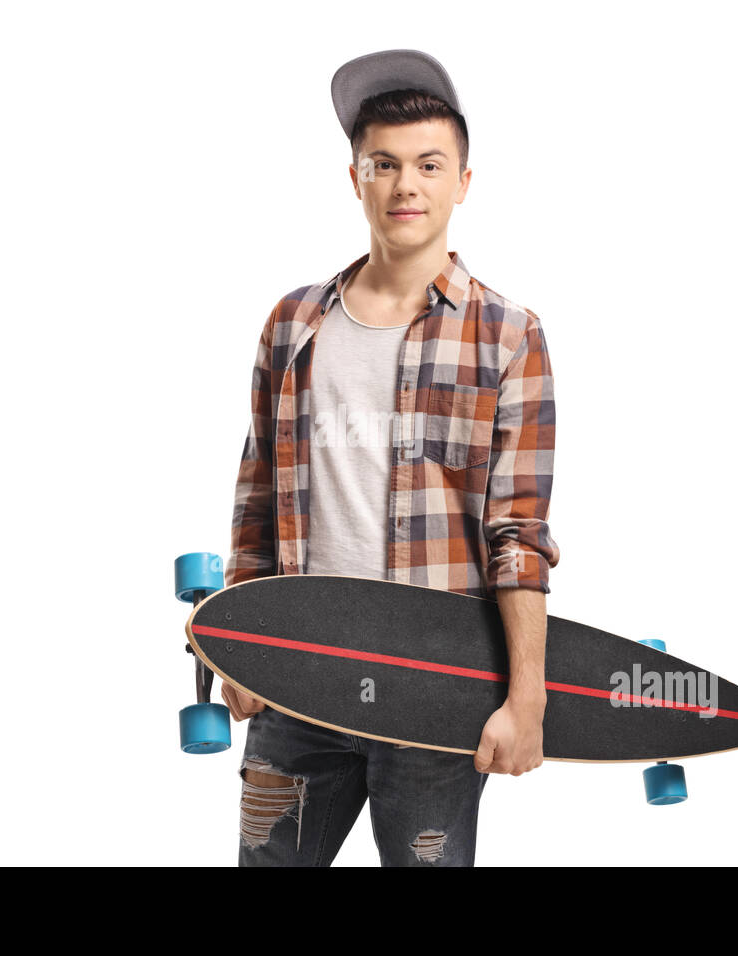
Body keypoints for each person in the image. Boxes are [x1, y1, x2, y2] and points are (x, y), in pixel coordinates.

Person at [221, 49, 561, 866]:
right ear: (357, 180)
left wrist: (528, 697)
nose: (406, 184)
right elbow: (256, 503)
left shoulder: (508, 336)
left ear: (462, 183)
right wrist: (233, 641)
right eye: (385, 164)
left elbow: (518, 534)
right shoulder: (293, 324)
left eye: (428, 165)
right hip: (297, 681)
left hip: (436, 694)